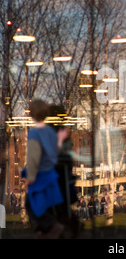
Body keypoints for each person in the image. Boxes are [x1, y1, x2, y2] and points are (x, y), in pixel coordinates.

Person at [22, 99, 64, 239]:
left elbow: (33, 158)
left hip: (39, 174)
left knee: (30, 204)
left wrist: (31, 177)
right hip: (50, 173)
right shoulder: (50, 132)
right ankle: (42, 231)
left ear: (31, 115)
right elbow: (56, 151)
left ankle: (52, 225)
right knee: (45, 203)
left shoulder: (34, 134)